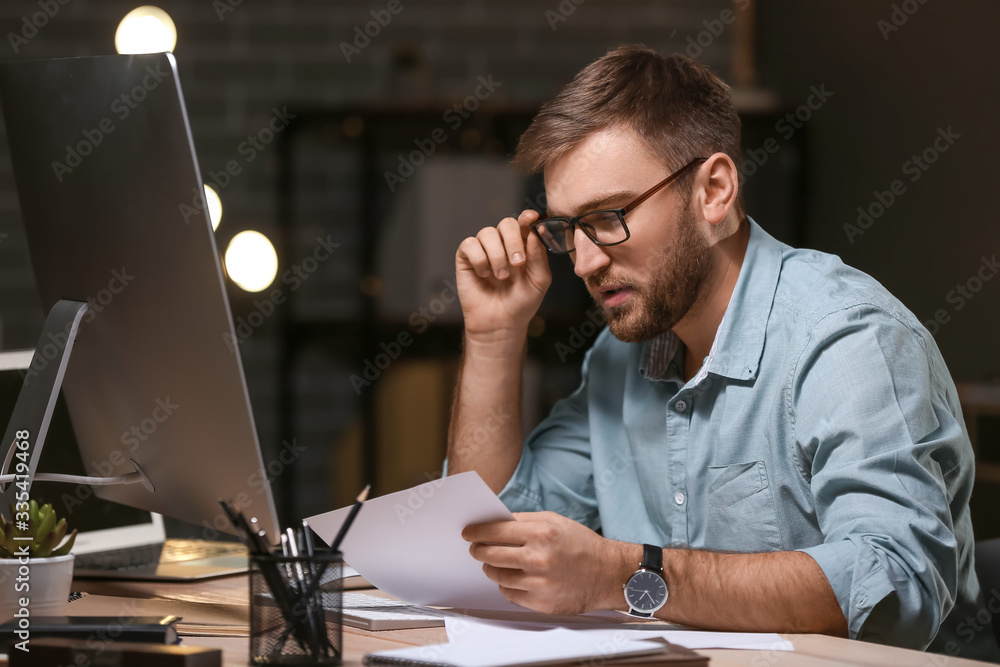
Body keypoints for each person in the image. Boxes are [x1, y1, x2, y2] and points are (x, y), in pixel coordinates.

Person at [445, 45, 999, 661]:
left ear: (713, 190)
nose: (584, 261)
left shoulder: (847, 340)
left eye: (609, 217)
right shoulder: (616, 357)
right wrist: (494, 336)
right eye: (567, 229)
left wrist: (624, 575)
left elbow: (894, 584)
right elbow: (494, 536)